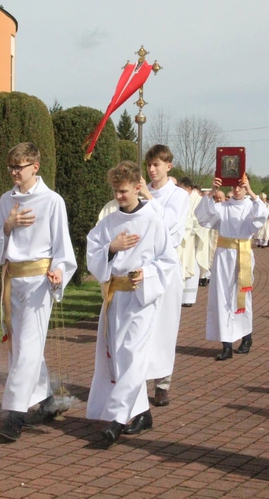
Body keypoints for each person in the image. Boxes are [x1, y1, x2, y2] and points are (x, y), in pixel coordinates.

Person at [0, 142, 77, 443]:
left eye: (20, 167)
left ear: (35, 167)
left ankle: (15, 415)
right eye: (11, 166)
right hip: (14, 279)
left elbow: (63, 247)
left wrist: (59, 273)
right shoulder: (5, 201)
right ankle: (49, 400)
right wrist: (7, 226)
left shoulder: (52, 201)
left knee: (26, 347)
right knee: (21, 348)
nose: (14, 172)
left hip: (39, 281)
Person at [86, 161, 179, 445]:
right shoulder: (110, 221)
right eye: (115, 191)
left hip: (141, 298)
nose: (118, 197)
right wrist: (112, 249)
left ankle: (115, 420)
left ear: (138, 187)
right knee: (119, 356)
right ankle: (143, 414)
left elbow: (168, 259)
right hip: (115, 297)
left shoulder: (153, 220)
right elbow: (92, 251)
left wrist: (145, 273)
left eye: (123, 191)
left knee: (133, 354)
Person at [138, 144, 190, 407]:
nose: (151, 169)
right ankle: (137, 379)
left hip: (167, 268)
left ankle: (162, 383)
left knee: (165, 326)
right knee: (140, 324)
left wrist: (148, 196)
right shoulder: (140, 193)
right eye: (149, 164)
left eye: (156, 164)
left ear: (168, 166)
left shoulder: (179, 196)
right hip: (142, 268)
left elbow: (168, 225)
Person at [195, 174, 268, 360]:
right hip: (223, 255)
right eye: (234, 186)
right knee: (222, 297)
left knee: (242, 296)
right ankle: (226, 344)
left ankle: (246, 337)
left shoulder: (251, 206)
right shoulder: (223, 207)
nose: (237, 190)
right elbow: (203, 217)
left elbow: (262, 216)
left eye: (241, 187)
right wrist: (212, 191)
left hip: (242, 254)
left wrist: (251, 191)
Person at [177, 177, 208, 307]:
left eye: (181, 189)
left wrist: (187, 226)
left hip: (193, 240)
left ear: (188, 189)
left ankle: (188, 298)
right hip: (182, 239)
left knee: (191, 266)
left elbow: (201, 221)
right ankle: (179, 296)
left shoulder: (199, 201)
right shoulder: (181, 200)